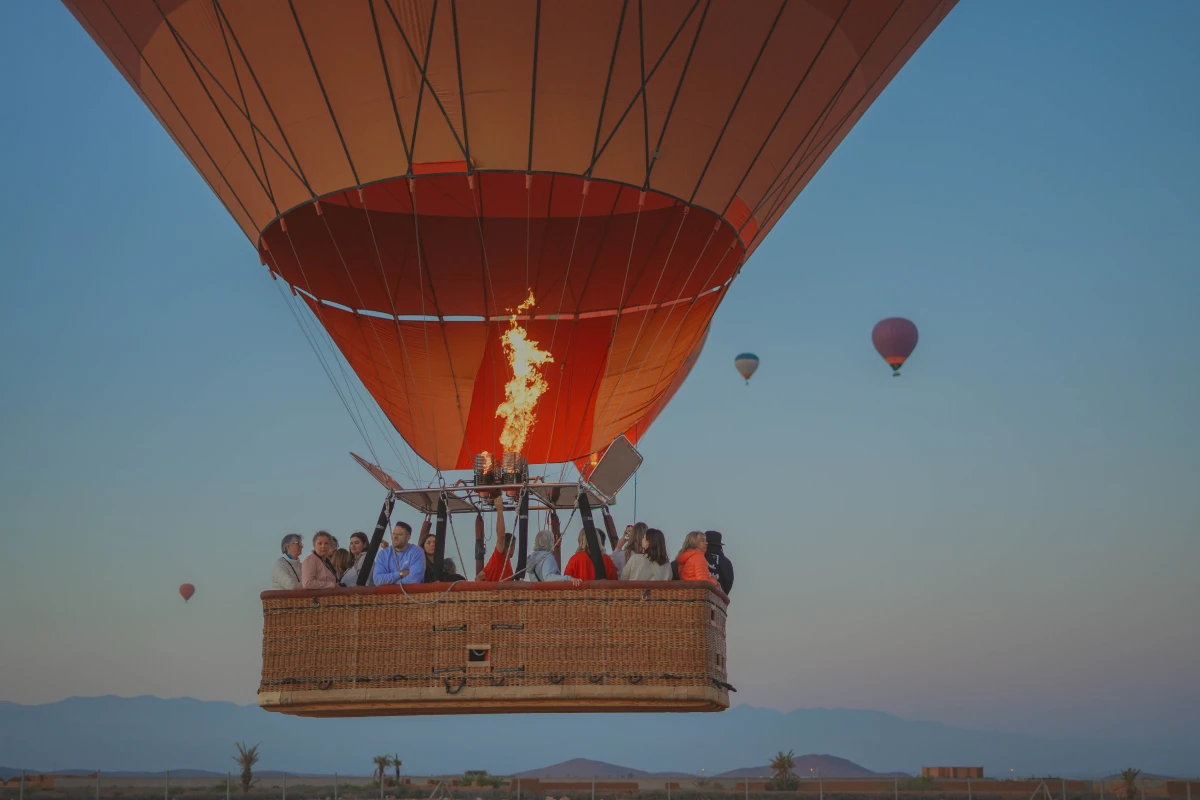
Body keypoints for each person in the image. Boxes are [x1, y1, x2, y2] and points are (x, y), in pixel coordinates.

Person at [477, 512, 515, 582]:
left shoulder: (496, 560)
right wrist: (499, 510)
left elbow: (479, 578)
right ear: (512, 546)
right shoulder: (500, 556)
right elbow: (501, 536)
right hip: (500, 592)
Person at [703, 530, 734, 594]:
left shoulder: (699, 557)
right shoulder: (727, 562)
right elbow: (729, 582)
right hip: (719, 600)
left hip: (701, 596)